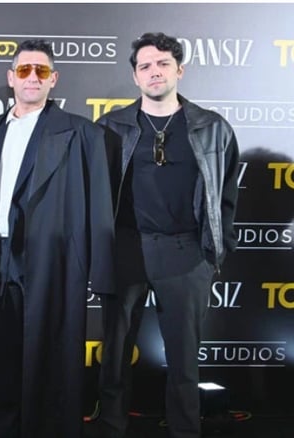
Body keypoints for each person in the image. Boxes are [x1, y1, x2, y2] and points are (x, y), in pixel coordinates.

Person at [90, 32, 239, 438]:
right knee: (115, 351)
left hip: (186, 252)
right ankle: (110, 425)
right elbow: (94, 194)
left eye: (162, 64)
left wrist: (214, 251)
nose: (154, 72)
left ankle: (185, 430)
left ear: (179, 70)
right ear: (135, 76)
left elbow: (226, 195)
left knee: (184, 357)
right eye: (145, 66)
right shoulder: (111, 127)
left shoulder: (211, 127)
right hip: (126, 248)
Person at [0, 39, 115, 438]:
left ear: (54, 79)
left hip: (54, 259)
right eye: (24, 70)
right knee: (0, 349)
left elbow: (100, 206)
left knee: (51, 353)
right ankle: (2, 426)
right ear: (11, 78)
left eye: (41, 71)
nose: (32, 77)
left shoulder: (82, 133)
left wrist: (100, 272)